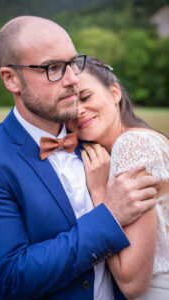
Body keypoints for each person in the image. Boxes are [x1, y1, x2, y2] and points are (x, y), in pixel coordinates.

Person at [0, 17, 157, 300]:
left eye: (72, 63)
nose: (72, 79)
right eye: (53, 68)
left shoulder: (97, 138)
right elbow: (12, 276)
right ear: (11, 79)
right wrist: (110, 215)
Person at [67, 56, 169, 300]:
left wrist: (100, 191)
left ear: (114, 93)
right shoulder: (142, 138)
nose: (79, 110)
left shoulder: (132, 145)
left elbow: (132, 281)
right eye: (70, 105)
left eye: (86, 96)